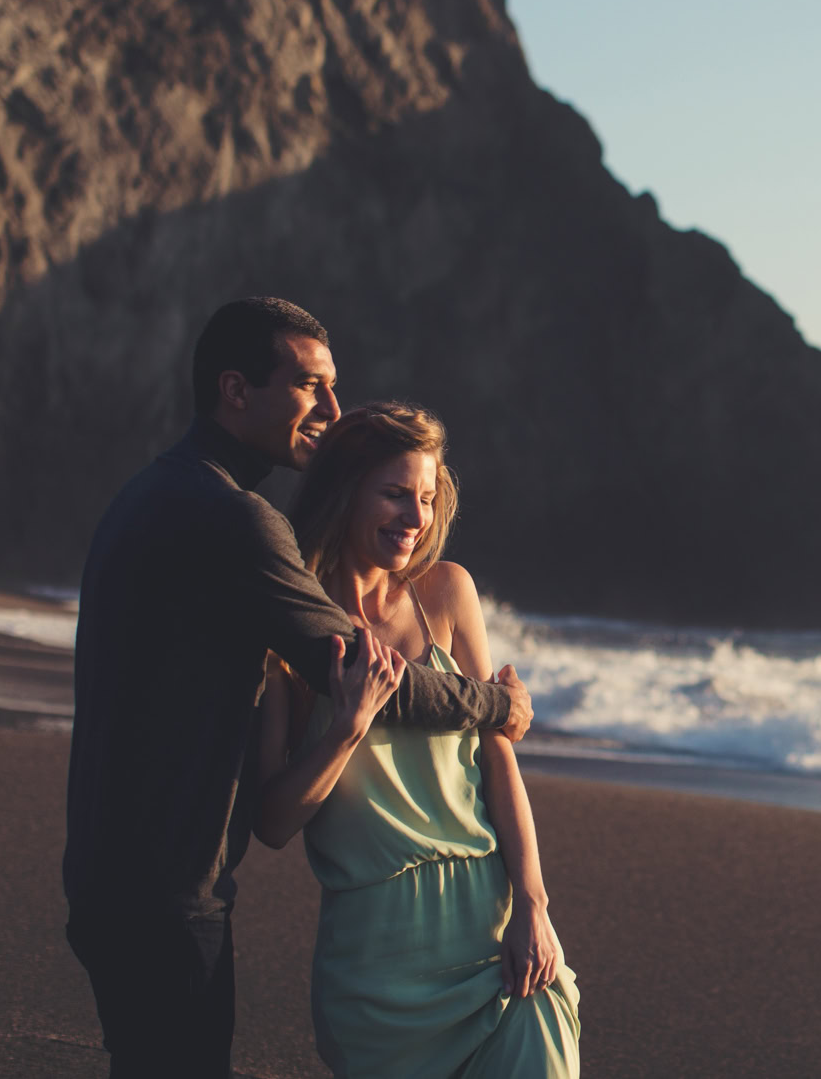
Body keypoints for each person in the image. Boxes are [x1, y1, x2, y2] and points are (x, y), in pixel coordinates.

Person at [63, 298, 534, 1079]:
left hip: (112, 870)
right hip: (166, 885)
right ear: (235, 390)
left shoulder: (146, 495)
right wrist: (497, 705)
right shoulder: (232, 517)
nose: (330, 409)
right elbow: (354, 665)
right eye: (309, 384)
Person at [254, 401, 580, 1077]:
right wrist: (346, 725)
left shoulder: (446, 592)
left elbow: (498, 759)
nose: (415, 517)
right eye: (395, 494)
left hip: (494, 933)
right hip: (375, 960)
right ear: (346, 491)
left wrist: (534, 903)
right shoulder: (290, 633)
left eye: (427, 497)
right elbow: (274, 820)